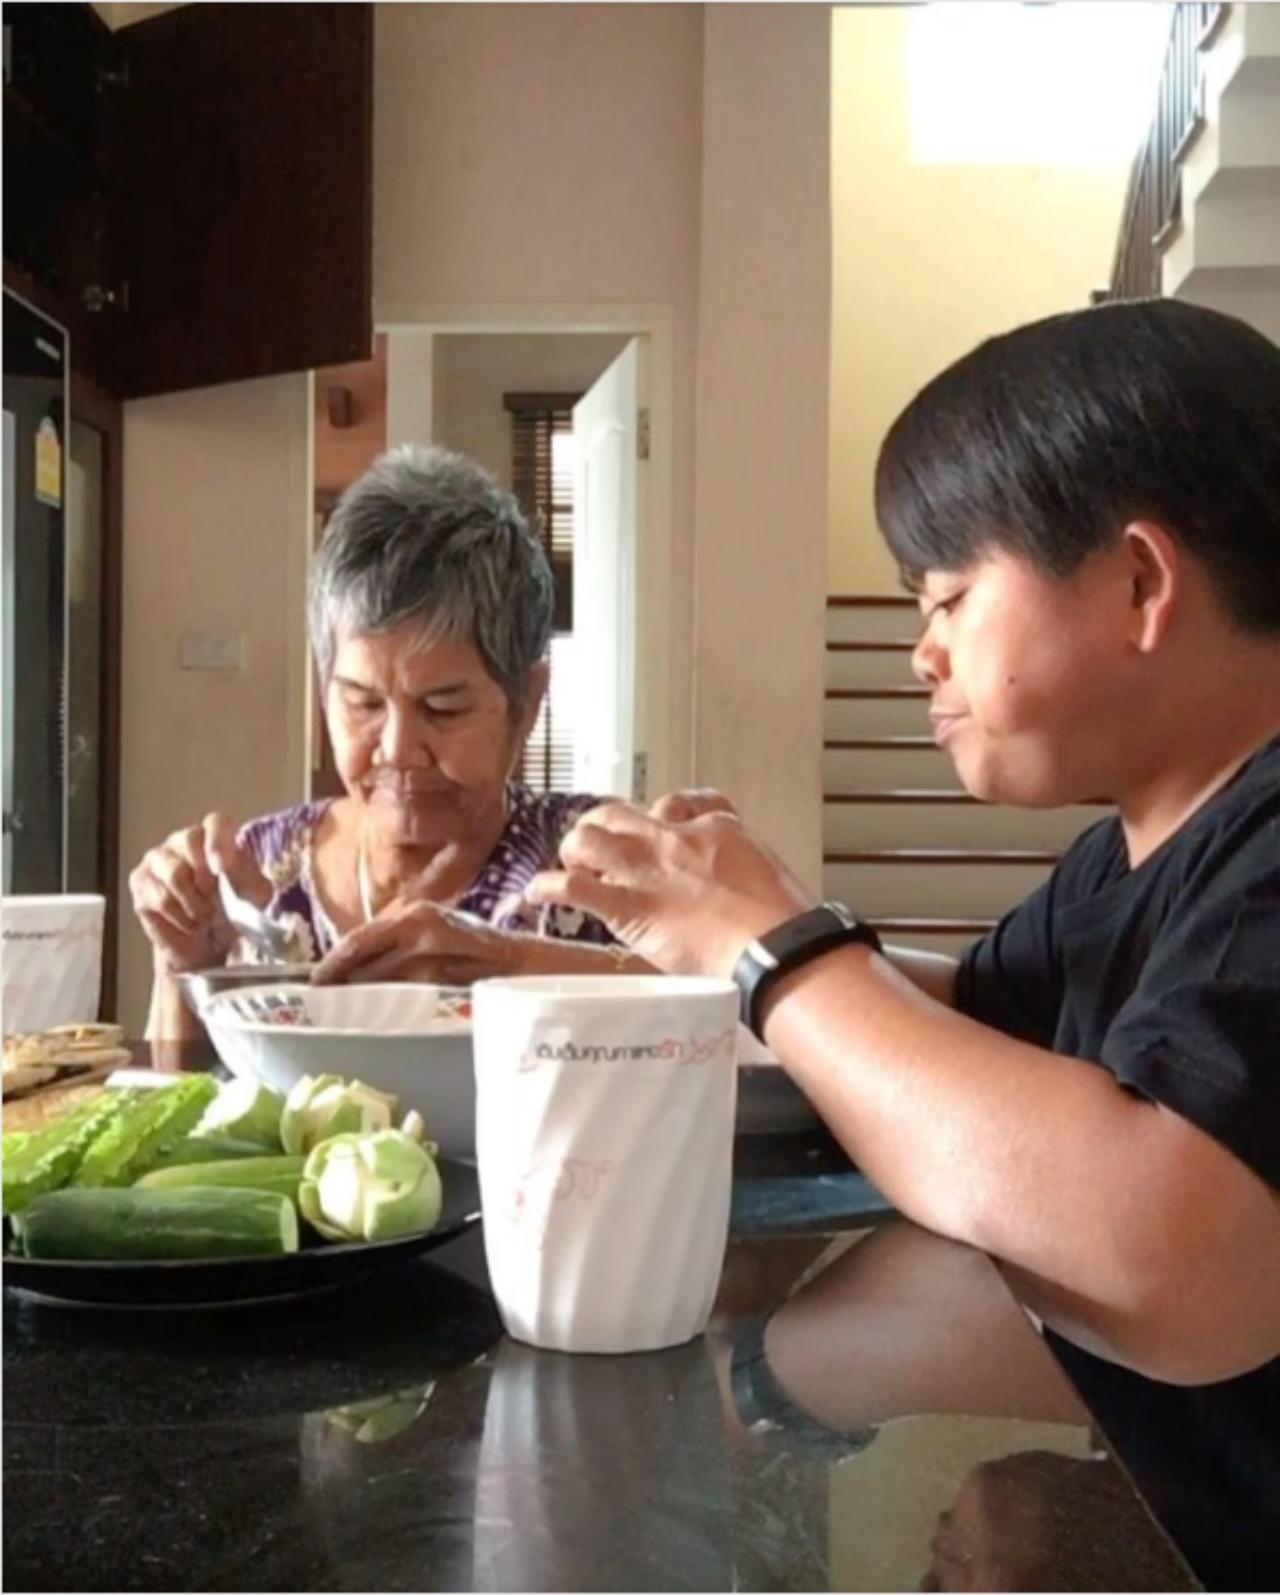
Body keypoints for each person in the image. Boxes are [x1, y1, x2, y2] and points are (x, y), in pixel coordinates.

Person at [526, 299, 1280, 1589]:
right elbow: (960, 1025)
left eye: (948, 596)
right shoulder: (1133, 850)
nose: (919, 653)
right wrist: (706, 943)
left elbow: (1167, 1250)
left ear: (1139, 584)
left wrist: (773, 948)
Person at [130, 444, 658, 1043]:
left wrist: (515, 966)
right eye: (363, 704)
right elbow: (184, 1092)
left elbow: (724, 1007)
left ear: (528, 702)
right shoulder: (258, 872)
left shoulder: (598, 867)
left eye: (443, 708)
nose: (398, 750)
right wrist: (182, 963)